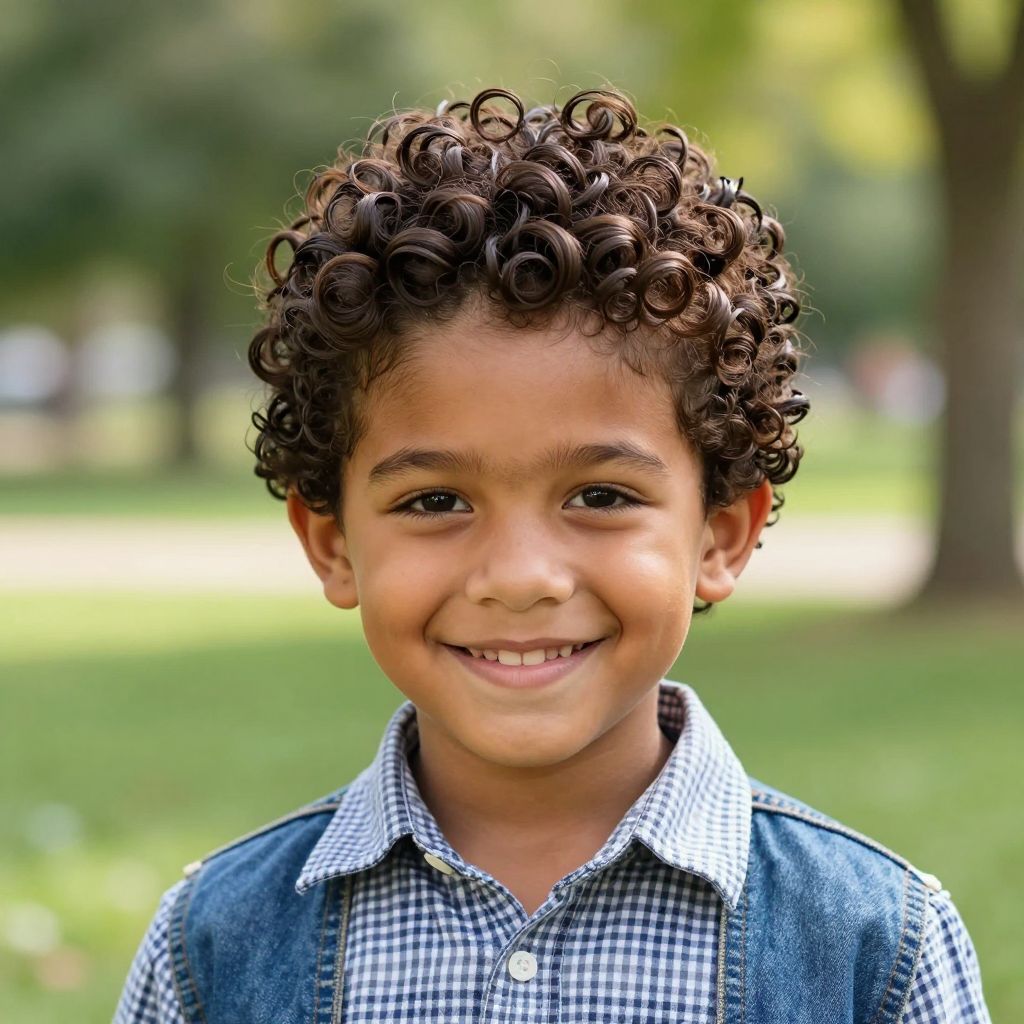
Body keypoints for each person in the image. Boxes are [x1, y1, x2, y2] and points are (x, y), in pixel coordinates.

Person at [113, 85, 991, 1023]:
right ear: (332, 545)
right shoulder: (212, 950)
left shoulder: (875, 948)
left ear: (720, 535)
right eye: (435, 501)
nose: (522, 578)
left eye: (600, 497)